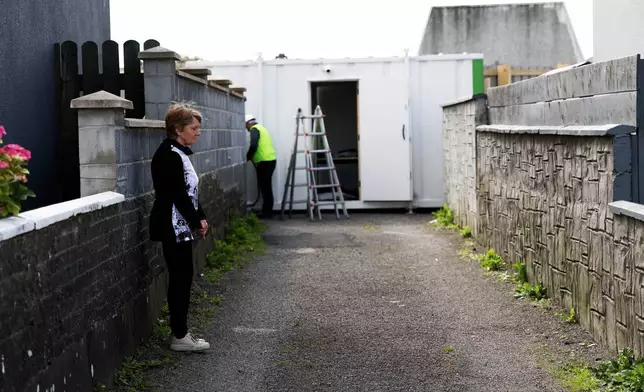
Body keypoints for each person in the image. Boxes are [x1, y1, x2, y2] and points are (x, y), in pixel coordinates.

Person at [149, 104, 210, 352]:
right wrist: (196, 220)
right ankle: (180, 336)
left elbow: (190, 193)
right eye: (193, 128)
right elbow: (177, 194)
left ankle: (181, 333)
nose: (198, 132)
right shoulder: (168, 154)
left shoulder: (178, 153)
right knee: (180, 280)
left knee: (183, 278)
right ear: (178, 129)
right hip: (172, 227)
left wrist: (200, 217)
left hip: (181, 227)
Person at [245, 114, 277, 218]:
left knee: (265, 188)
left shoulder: (254, 129)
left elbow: (254, 145)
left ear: (248, 123)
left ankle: (267, 213)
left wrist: (249, 156)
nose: (246, 128)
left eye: (246, 125)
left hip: (265, 163)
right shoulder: (261, 128)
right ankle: (267, 211)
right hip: (269, 161)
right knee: (266, 187)